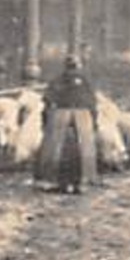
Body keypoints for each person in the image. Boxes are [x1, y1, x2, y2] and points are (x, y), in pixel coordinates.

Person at [42, 55, 98, 194]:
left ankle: (58, 180)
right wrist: (94, 120)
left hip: (61, 116)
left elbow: (48, 100)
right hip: (81, 116)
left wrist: (46, 119)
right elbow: (92, 102)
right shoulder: (85, 81)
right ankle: (82, 180)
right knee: (83, 149)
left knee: (57, 150)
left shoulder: (58, 80)